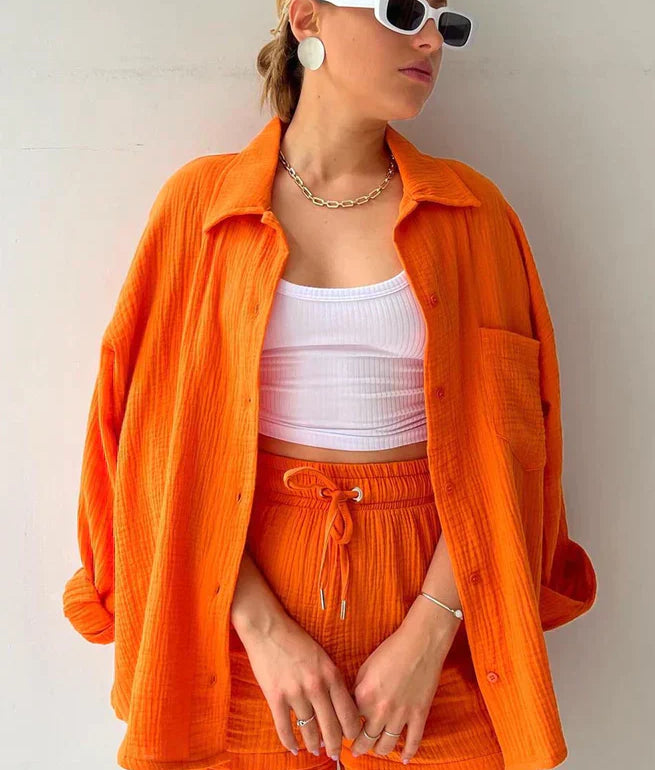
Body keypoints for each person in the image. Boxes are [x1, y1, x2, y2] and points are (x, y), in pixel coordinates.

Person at [62, 2, 597, 770]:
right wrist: (263, 629)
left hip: (441, 609)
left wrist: (430, 629)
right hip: (234, 617)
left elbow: (508, 446)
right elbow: (151, 445)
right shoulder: (200, 209)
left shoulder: (473, 216)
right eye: (402, 9)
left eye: (446, 22)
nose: (429, 40)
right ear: (306, 17)